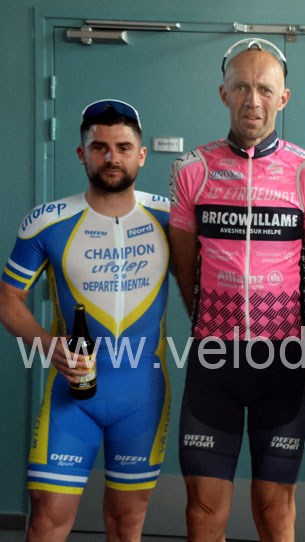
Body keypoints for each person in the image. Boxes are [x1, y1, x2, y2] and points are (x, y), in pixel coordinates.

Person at [169, 39, 305, 541]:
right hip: (214, 360)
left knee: (274, 508)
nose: (252, 100)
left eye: (265, 89)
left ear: (284, 97)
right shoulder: (193, 169)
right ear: (223, 93)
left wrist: (297, 335)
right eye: (241, 87)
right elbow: (184, 267)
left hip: (281, 362)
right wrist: (208, 322)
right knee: (202, 511)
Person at [0, 99, 171, 540]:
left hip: (142, 395)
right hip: (70, 396)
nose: (111, 157)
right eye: (99, 147)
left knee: (127, 522)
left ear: (141, 154)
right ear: (82, 153)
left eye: (123, 147)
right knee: (47, 518)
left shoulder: (170, 218)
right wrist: (47, 344)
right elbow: (8, 298)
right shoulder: (46, 222)